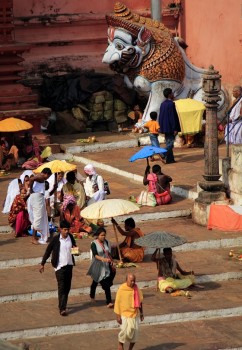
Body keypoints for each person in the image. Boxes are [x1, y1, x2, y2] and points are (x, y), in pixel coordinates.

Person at [39, 220, 77, 316]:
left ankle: (63, 304)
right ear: (60, 230)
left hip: (69, 265)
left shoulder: (71, 237)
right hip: (59, 267)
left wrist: (76, 251)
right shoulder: (56, 240)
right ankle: (62, 308)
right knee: (61, 287)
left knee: (67, 287)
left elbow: (74, 248)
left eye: (68, 229)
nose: (66, 231)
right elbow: (48, 251)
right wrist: (42, 263)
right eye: (65, 230)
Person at [87, 227, 116, 308]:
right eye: (101, 235)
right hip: (97, 266)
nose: (103, 237)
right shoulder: (94, 244)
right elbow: (95, 255)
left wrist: (111, 260)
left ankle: (108, 301)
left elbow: (108, 253)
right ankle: (107, 301)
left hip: (106, 266)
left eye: (104, 235)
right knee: (96, 282)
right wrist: (103, 259)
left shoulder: (106, 242)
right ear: (98, 235)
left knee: (102, 282)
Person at [114, 273, 144, 350]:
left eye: (134, 281)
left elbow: (140, 301)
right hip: (124, 314)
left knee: (135, 334)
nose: (133, 282)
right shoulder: (121, 289)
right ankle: (120, 345)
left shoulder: (136, 288)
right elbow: (117, 302)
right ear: (126, 280)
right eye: (131, 281)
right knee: (123, 333)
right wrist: (118, 316)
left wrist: (141, 313)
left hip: (134, 314)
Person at [28, 167, 52, 245]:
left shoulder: (40, 177)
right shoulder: (41, 176)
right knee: (38, 217)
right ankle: (33, 237)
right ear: (46, 174)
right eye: (48, 176)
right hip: (37, 197)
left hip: (38, 197)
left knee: (38, 217)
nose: (48, 178)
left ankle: (34, 236)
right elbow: (31, 179)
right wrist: (31, 189)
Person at [158, 88, 181, 164]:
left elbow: (160, 116)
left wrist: (161, 127)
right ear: (169, 94)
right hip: (171, 127)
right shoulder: (171, 104)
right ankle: (163, 153)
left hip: (165, 127)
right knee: (170, 144)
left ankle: (170, 159)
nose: (173, 95)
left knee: (168, 143)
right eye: (172, 93)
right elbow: (172, 117)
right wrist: (175, 128)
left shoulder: (162, 104)